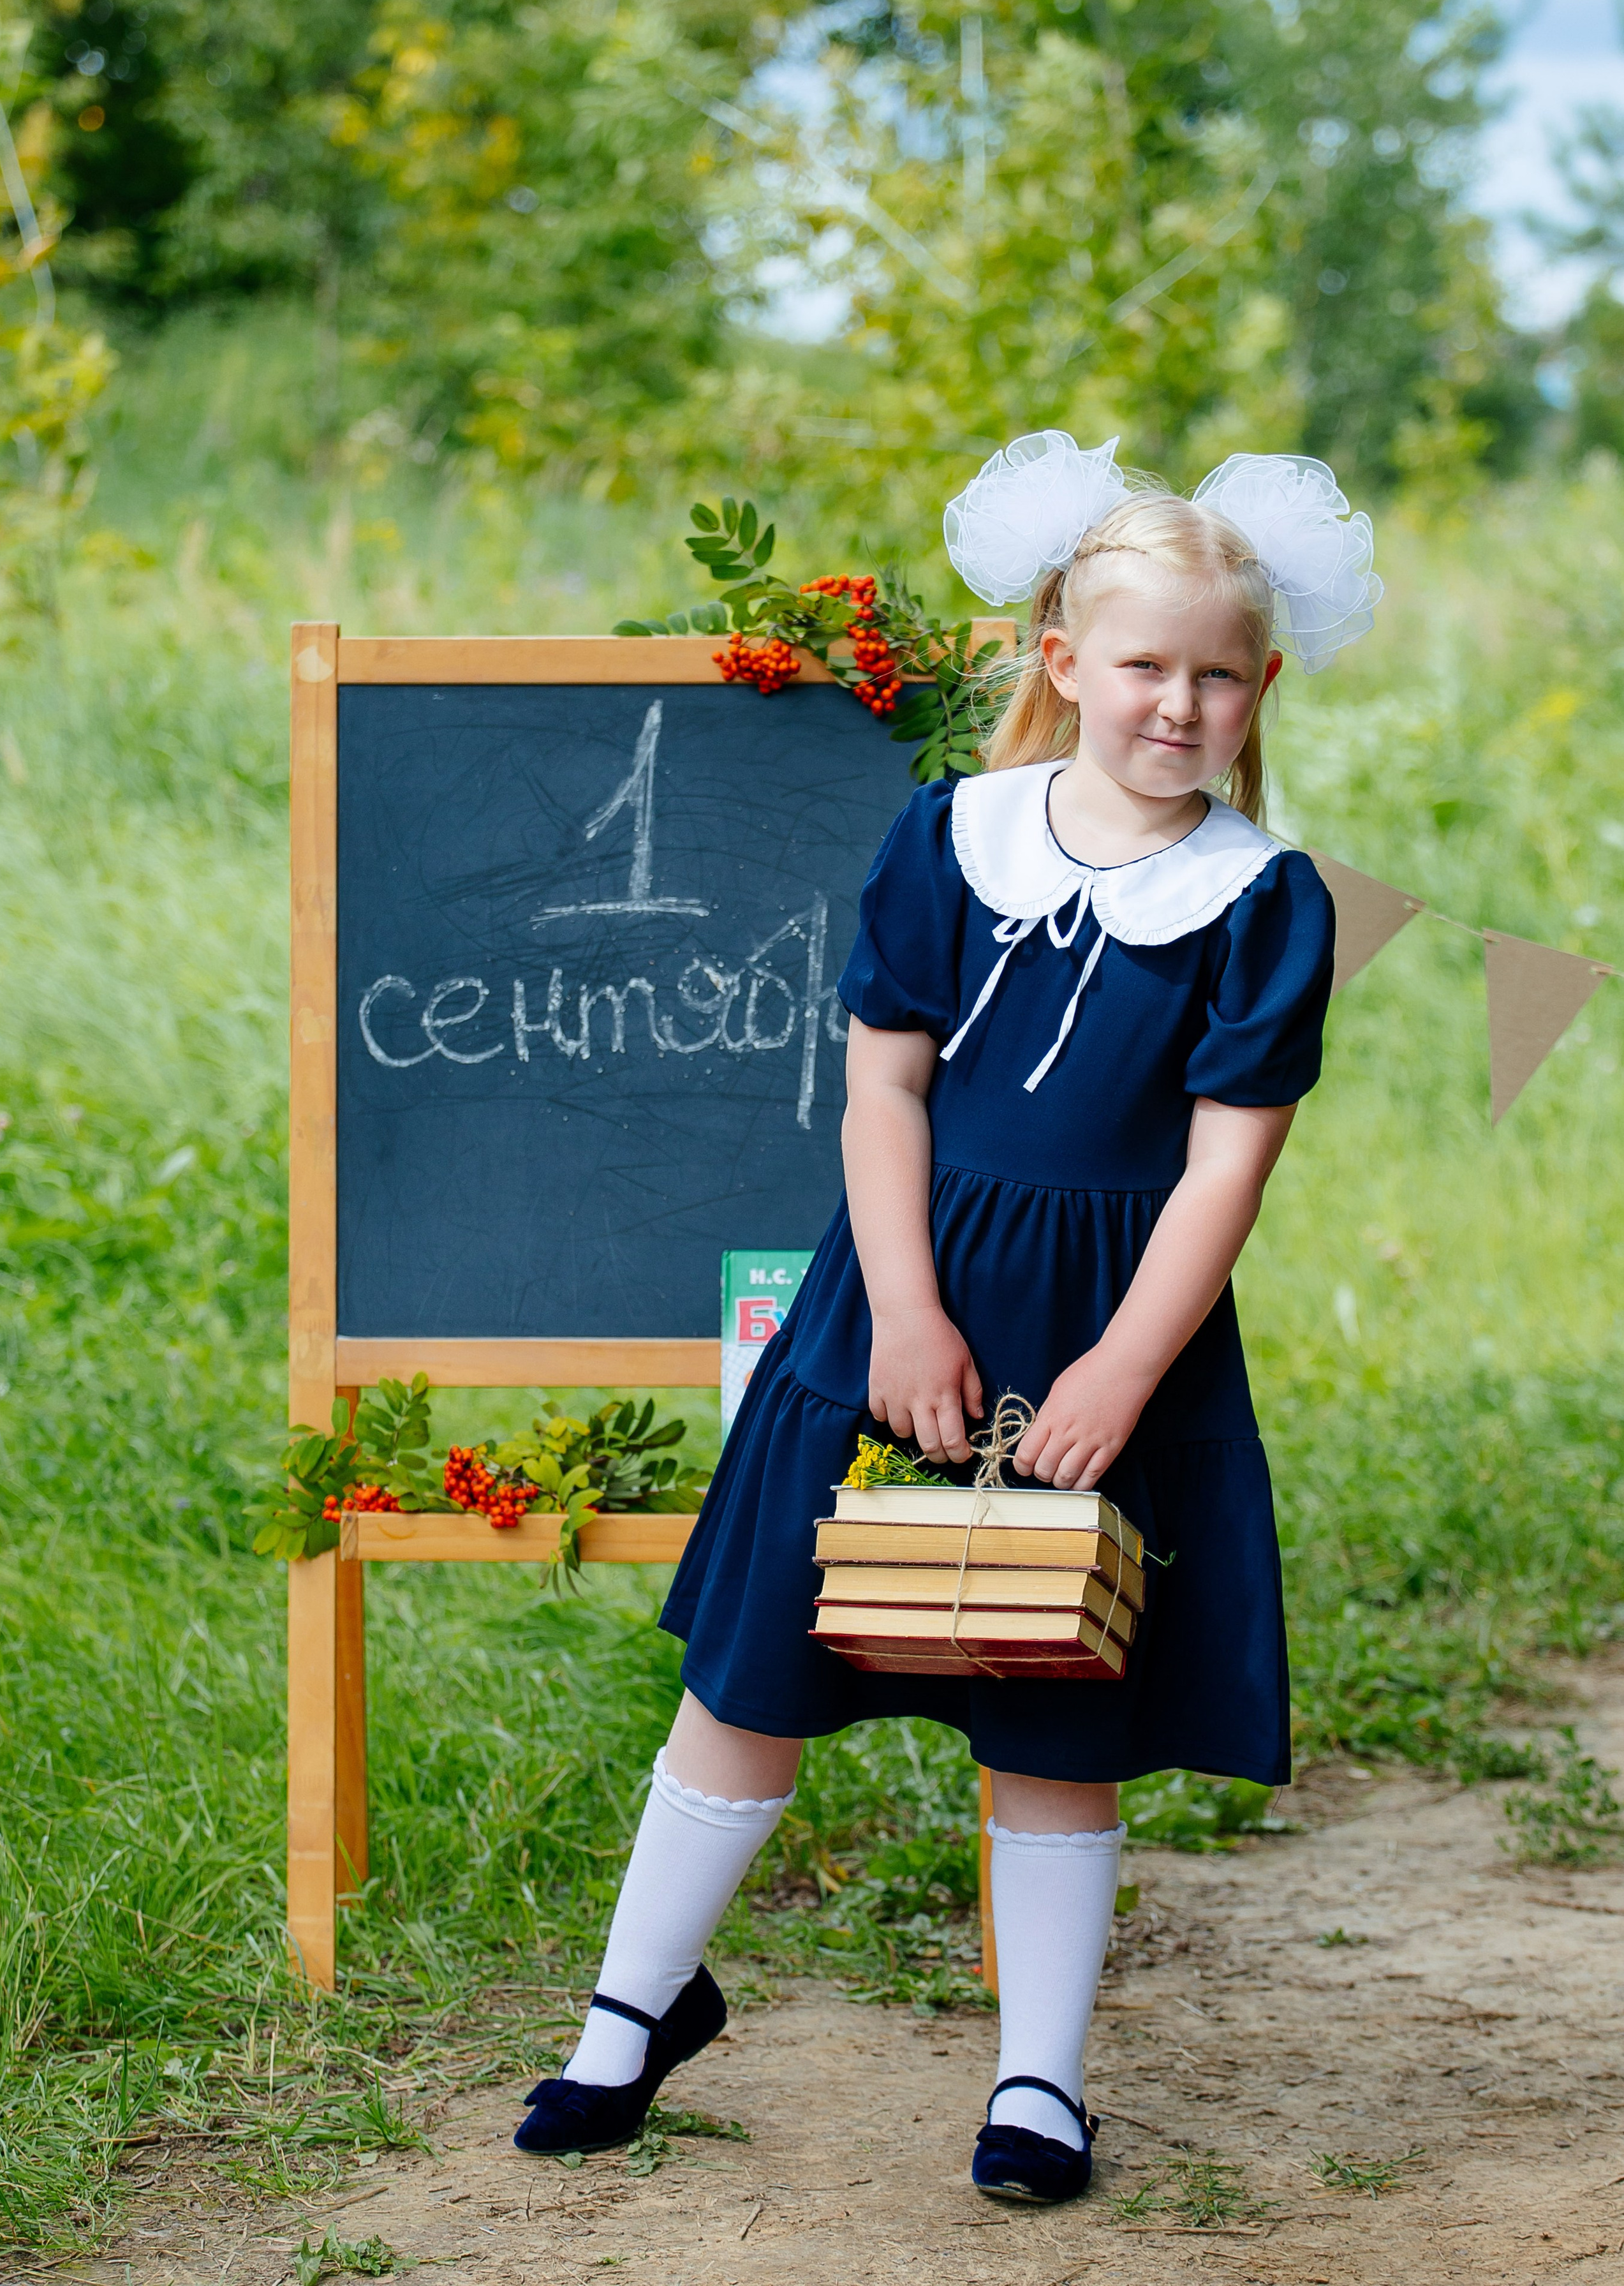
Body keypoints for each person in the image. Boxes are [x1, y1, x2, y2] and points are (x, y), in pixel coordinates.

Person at [515, 434, 1381, 2203]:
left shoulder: (1263, 902)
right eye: (1144, 664)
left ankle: (1041, 2085)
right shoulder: (950, 840)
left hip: (1105, 1333)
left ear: (1261, 687)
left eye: (1218, 674)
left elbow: (1229, 1167)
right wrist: (904, 1311)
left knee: (1055, 1699)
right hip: (893, 1308)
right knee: (756, 1670)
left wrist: (1124, 1372)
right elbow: (884, 1093)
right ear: (1064, 661)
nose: (1179, 703)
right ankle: (631, 2011)